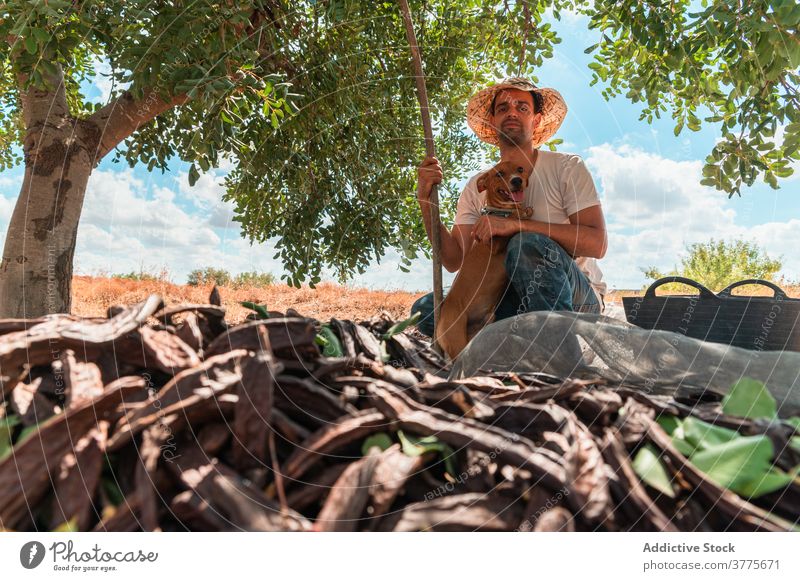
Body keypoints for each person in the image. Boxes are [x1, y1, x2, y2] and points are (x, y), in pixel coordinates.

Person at [411, 77, 608, 338]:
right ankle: (512, 343)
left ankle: (559, 353)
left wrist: (516, 225)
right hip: (507, 299)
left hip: (577, 299)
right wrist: (426, 202)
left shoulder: (566, 167)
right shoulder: (477, 187)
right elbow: (453, 259)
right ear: (492, 120)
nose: (512, 112)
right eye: (503, 108)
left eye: (522, 107)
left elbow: (597, 244)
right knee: (426, 310)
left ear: (536, 120)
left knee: (526, 244)